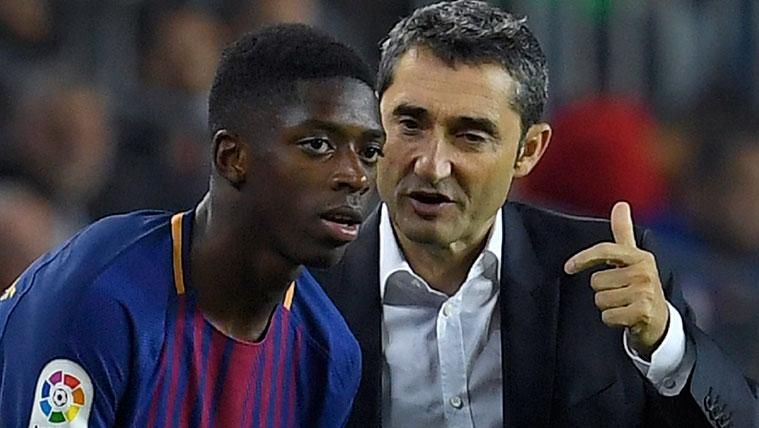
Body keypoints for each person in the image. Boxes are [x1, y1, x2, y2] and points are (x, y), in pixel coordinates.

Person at [309, 1, 758, 427]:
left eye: (470, 136)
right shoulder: (305, 284)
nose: (431, 164)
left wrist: (666, 345)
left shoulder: (608, 275)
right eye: (410, 124)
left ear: (528, 151)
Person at [0, 23, 384, 427]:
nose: (357, 177)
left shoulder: (330, 355)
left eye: (370, 152)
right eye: (319, 145)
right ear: (231, 158)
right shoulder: (100, 300)